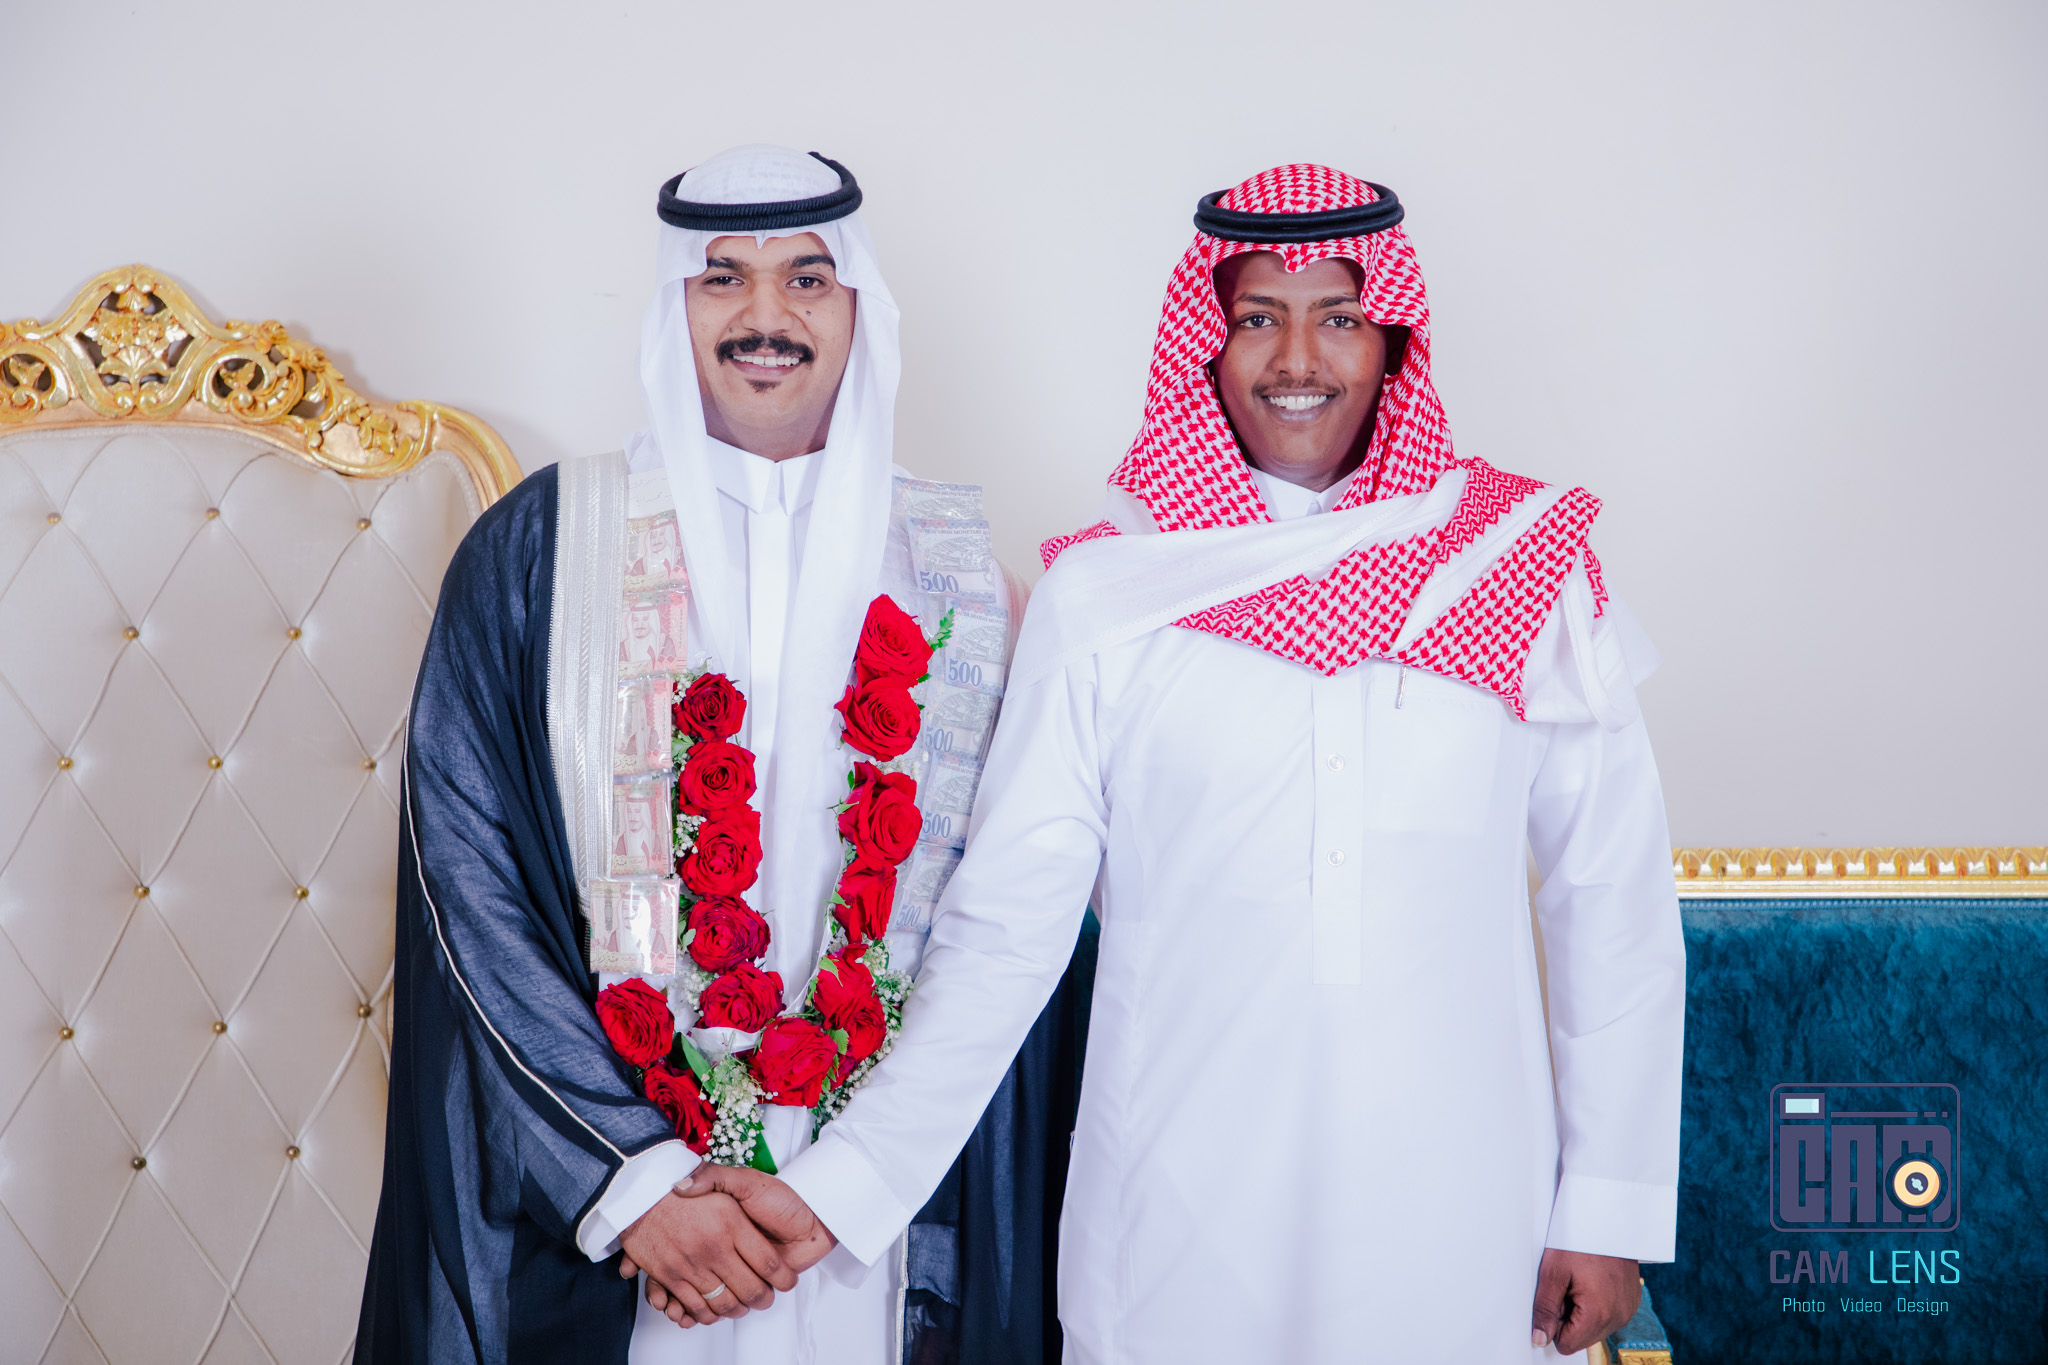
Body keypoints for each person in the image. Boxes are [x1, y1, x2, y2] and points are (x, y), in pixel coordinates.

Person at [727, 163, 1686, 1363]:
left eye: (1338, 316)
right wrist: (846, 1185)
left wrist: (1605, 1208)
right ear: (1206, 343)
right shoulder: (1107, 595)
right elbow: (1007, 930)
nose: (1298, 359)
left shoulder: (1516, 562)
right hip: (1176, 1209)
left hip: (1456, 1204)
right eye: (1256, 318)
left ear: (1391, 339)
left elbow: (1609, 899)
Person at [356, 144, 1079, 1365]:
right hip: (617, 1216)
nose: (764, 317)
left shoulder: (966, 581)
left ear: (857, 306)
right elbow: (466, 885)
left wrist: (851, 1183)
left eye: (806, 279)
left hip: (869, 1215)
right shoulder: (542, 548)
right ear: (672, 307)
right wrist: (635, 1184)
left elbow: (1006, 924)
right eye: (721, 279)